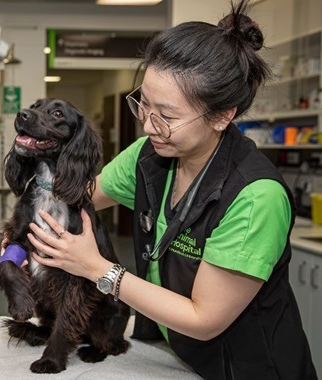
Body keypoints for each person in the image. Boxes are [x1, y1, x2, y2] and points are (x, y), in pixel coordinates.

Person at [24, 1, 317, 379]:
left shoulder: (255, 197)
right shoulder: (150, 156)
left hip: (248, 368)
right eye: (143, 105)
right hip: (175, 356)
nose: (148, 126)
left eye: (167, 116)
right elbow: (76, 197)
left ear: (222, 115)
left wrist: (97, 268)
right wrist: (21, 235)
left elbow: (203, 319)